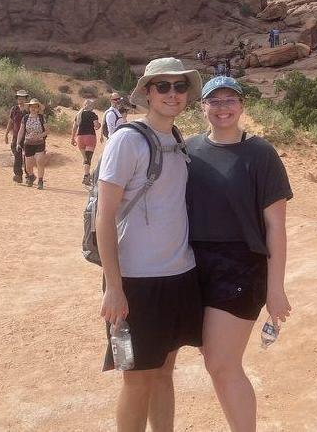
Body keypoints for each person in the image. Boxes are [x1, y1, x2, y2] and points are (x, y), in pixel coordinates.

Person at [96, 57, 204, 432]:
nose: (172, 94)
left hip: (179, 275)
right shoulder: (128, 140)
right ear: (146, 92)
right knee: (137, 378)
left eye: (180, 87)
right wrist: (113, 286)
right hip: (137, 281)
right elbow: (104, 216)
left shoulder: (176, 140)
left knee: (164, 372)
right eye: (163, 86)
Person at [186, 76, 293, 432]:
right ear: (202, 106)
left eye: (229, 100)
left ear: (242, 105)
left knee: (221, 363)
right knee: (215, 360)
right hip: (192, 264)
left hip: (241, 267)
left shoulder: (260, 154)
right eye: (213, 101)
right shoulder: (188, 150)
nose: (222, 108)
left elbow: (275, 226)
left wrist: (275, 290)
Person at [17, 98, 48, 189]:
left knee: (39, 162)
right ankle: (31, 176)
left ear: (38, 108)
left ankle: (40, 181)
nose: (33, 108)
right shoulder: (25, 118)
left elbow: (47, 131)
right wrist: (18, 142)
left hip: (39, 143)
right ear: (29, 108)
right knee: (28, 166)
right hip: (28, 143)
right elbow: (21, 131)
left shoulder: (41, 118)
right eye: (31, 107)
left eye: (35, 107)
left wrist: (39, 136)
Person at [72, 98, 100, 186]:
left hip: (80, 137)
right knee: (88, 158)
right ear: (91, 106)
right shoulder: (93, 114)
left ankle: (86, 175)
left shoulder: (78, 114)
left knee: (85, 158)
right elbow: (96, 125)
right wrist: (98, 125)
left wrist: (72, 138)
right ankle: (86, 176)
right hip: (90, 137)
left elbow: (74, 127)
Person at [4, 89, 29, 184]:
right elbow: (10, 122)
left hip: (27, 136)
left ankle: (29, 175)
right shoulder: (14, 109)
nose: (21, 100)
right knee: (17, 155)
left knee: (27, 156)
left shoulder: (29, 110)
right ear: (17, 99)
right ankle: (18, 175)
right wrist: (6, 134)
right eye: (19, 98)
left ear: (26, 98)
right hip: (15, 136)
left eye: (23, 98)